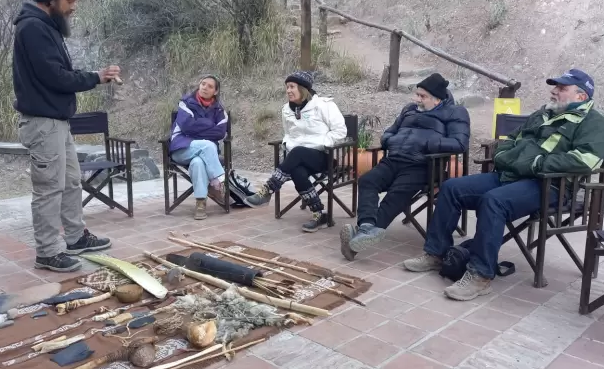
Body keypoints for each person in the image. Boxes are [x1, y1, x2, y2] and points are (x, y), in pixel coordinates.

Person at [403, 69, 604, 301]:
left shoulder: (595, 124)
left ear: (581, 96)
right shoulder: (542, 114)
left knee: (494, 201)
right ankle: (436, 253)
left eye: (561, 88)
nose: (554, 91)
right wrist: (503, 156)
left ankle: (480, 275)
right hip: (511, 175)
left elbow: (585, 161)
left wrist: (536, 164)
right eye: (555, 86)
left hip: (549, 185)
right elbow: (510, 140)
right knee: (452, 187)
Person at [13, 0, 119, 273]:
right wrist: (96, 77)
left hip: (56, 122)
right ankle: (47, 252)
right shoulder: (33, 28)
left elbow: (58, 72)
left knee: (71, 180)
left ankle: (75, 237)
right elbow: (56, 77)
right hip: (42, 123)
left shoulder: (45, 26)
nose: (74, 7)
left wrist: (94, 76)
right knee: (48, 188)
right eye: (69, 1)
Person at [340, 73, 470, 260]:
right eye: (417, 94)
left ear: (437, 99)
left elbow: (460, 143)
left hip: (423, 164)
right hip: (394, 159)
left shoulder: (455, 113)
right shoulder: (409, 109)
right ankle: (367, 227)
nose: (417, 99)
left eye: (422, 96)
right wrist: (391, 140)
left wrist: (427, 144)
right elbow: (389, 133)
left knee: (396, 194)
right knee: (367, 181)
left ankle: (361, 238)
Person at [245, 71, 347, 232]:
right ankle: (319, 214)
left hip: (323, 156)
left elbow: (340, 131)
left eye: (292, 87)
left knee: (298, 152)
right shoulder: (286, 110)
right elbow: (288, 134)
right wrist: (289, 145)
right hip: (298, 157)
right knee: (297, 171)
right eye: (287, 87)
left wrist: (322, 143)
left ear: (303, 88)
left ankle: (268, 189)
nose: (288, 91)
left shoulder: (324, 105)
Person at [168, 75, 229, 220]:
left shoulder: (219, 110)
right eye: (203, 84)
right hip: (181, 148)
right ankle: (219, 182)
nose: (205, 87)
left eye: (210, 86)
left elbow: (220, 132)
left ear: (215, 91)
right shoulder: (186, 103)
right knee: (208, 145)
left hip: (204, 154)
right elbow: (187, 126)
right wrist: (209, 125)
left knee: (198, 163)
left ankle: (200, 203)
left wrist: (197, 126)